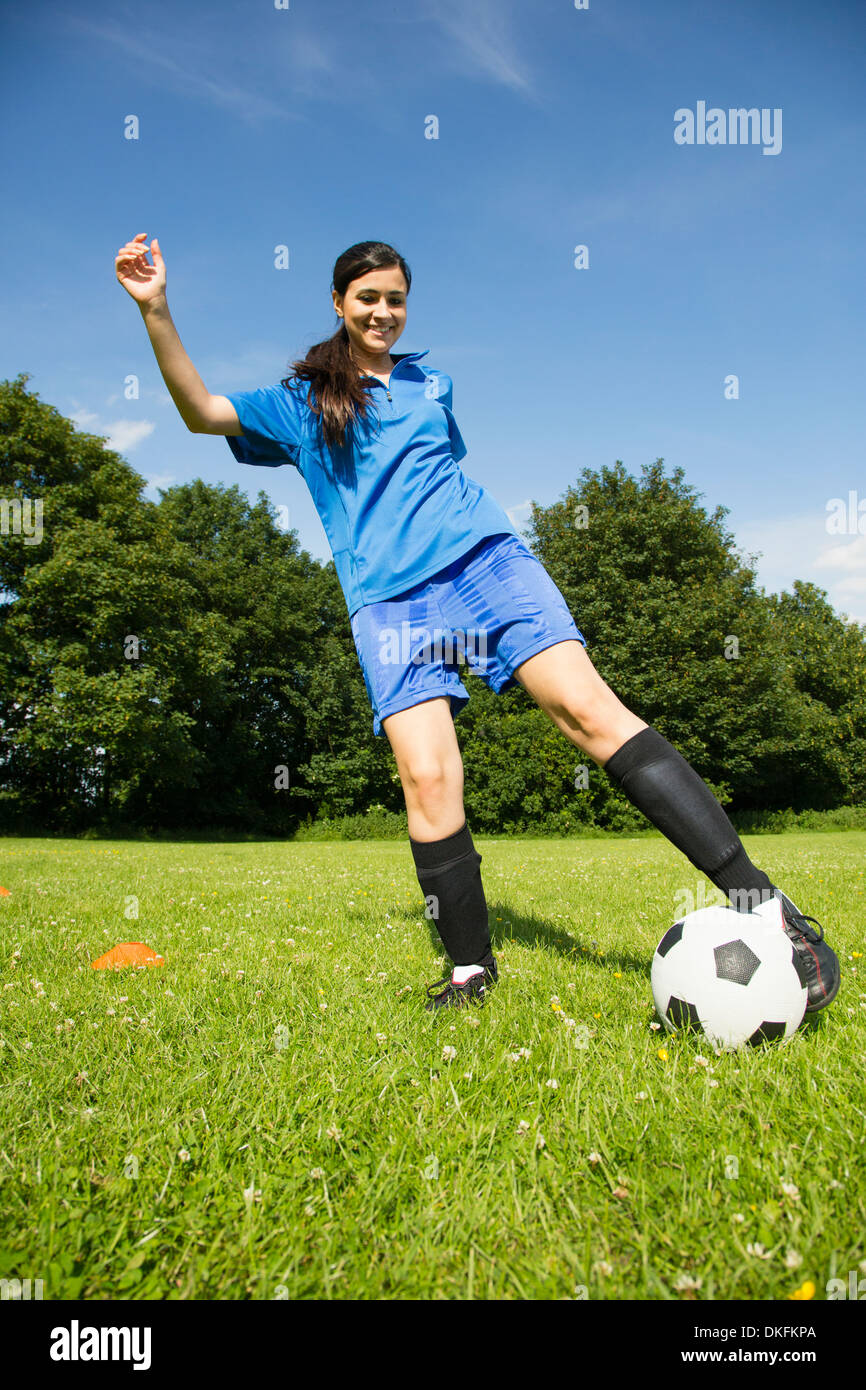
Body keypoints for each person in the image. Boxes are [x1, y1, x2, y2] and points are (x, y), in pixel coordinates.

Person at [116, 233, 840, 1016]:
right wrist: (156, 310)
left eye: (395, 298)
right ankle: (470, 970)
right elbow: (200, 412)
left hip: (484, 563)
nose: (383, 311)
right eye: (368, 297)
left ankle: (764, 908)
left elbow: (441, 473)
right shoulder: (301, 402)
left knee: (585, 708)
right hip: (389, 602)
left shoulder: (433, 384)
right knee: (427, 778)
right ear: (338, 302)